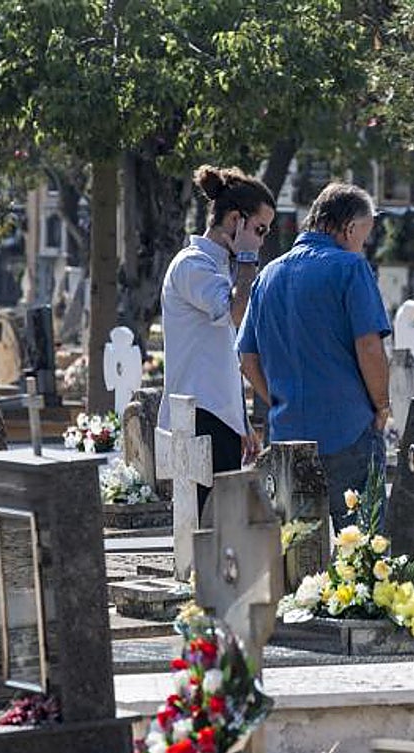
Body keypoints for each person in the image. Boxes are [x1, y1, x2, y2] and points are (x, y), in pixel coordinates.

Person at [237, 182, 391, 526]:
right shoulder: (351, 268)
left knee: (297, 552)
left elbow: (247, 359)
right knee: (363, 551)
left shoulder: (267, 277)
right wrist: (381, 405)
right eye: (363, 236)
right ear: (350, 229)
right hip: (347, 428)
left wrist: (277, 400)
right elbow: (369, 346)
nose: (361, 246)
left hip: (287, 432)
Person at [158, 165, 275, 514]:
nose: (262, 239)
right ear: (235, 221)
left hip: (217, 417)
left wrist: (240, 422)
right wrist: (249, 257)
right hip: (198, 416)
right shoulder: (192, 265)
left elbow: (224, 353)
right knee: (209, 525)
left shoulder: (221, 268)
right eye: (259, 229)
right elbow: (237, 314)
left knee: (220, 524)